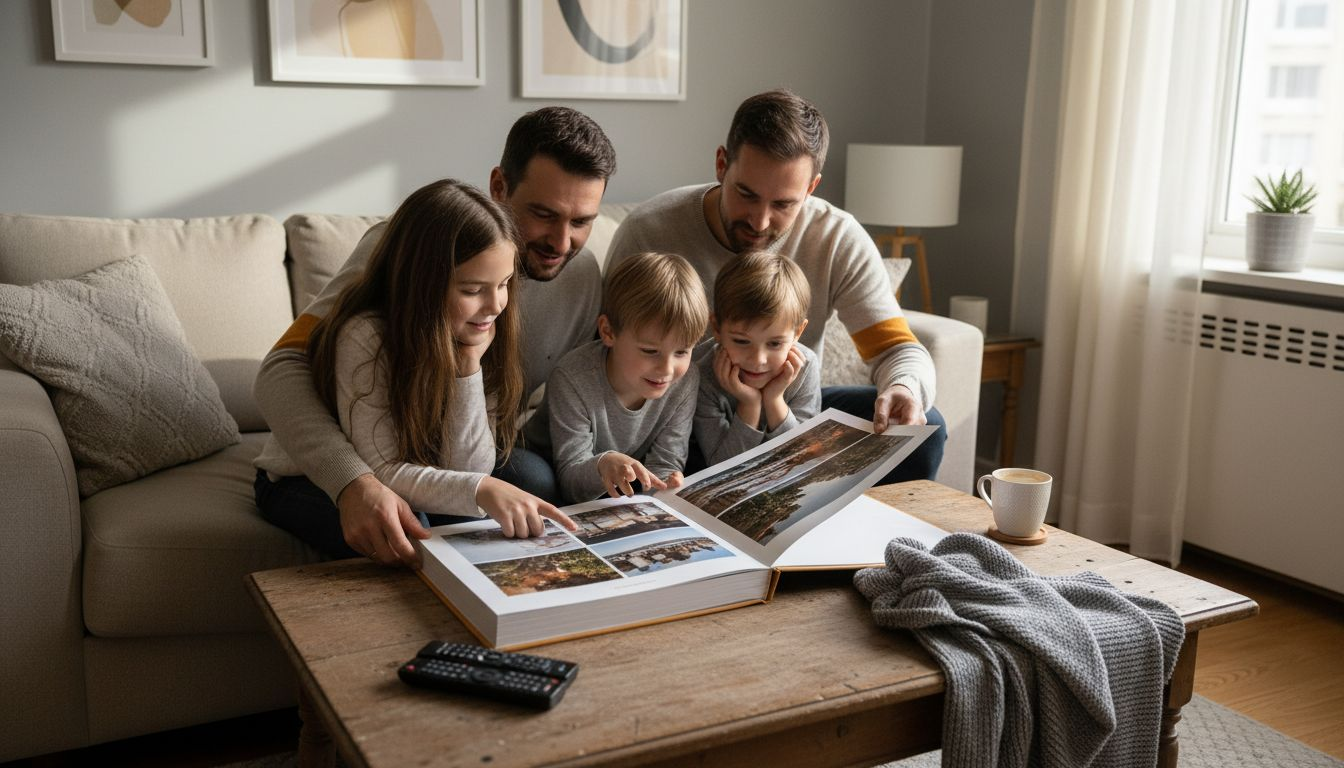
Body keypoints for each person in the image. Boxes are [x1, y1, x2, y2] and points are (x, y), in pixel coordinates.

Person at [253, 107, 614, 566]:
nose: (561, 242)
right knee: (413, 520)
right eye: (543, 214)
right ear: (499, 188)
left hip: (450, 445)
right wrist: (352, 481)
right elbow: (280, 370)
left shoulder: (579, 278)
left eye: (582, 221)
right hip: (360, 454)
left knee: (536, 482)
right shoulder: (409, 253)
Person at [604, 89, 946, 482]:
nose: (760, 222)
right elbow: (603, 353)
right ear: (721, 164)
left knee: (922, 431)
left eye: (784, 204)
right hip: (680, 416)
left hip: (787, 401)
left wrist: (904, 388)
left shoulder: (836, 238)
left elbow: (896, 348)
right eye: (746, 194)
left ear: (811, 187)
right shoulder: (650, 231)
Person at [525, 252, 708, 504]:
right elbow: (570, 480)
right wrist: (603, 464)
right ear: (608, 332)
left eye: (682, 351)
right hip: (551, 467)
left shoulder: (684, 382)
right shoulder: (572, 377)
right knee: (535, 480)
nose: (667, 368)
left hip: (617, 477)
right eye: (650, 351)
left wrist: (666, 484)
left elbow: (666, 461)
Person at [693, 250, 821, 466]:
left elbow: (801, 458)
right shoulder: (702, 372)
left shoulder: (805, 365)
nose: (758, 360)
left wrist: (773, 400)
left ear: (798, 333)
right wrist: (750, 404)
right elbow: (720, 466)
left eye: (774, 344)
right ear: (716, 327)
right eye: (741, 341)